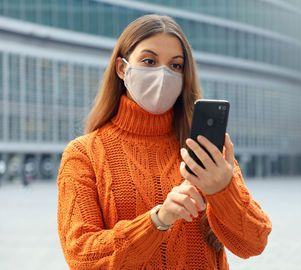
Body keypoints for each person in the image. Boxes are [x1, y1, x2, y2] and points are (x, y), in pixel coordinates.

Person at [57, 14, 272, 269]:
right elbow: (81, 256)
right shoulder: (84, 154)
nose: (162, 74)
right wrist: (158, 220)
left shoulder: (203, 148)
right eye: (149, 61)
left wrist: (222, 190)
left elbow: (254, 242)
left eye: (175, 66)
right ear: (122, 68)